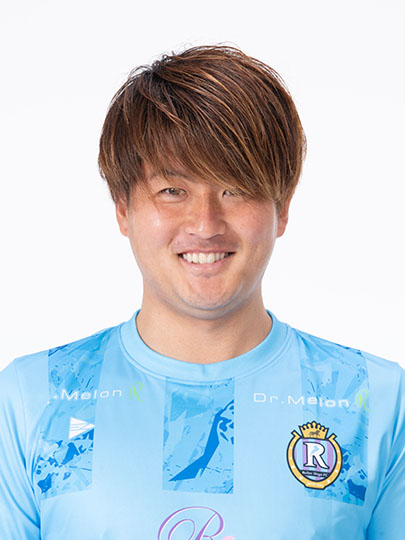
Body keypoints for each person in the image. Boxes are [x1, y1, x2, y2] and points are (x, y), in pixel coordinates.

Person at [0, 44, 403, 540]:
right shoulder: (32, 399)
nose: (205, 224)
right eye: (173, 190)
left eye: (234, 188)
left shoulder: (375, 400)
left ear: (282, 207)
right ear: (123, 209)